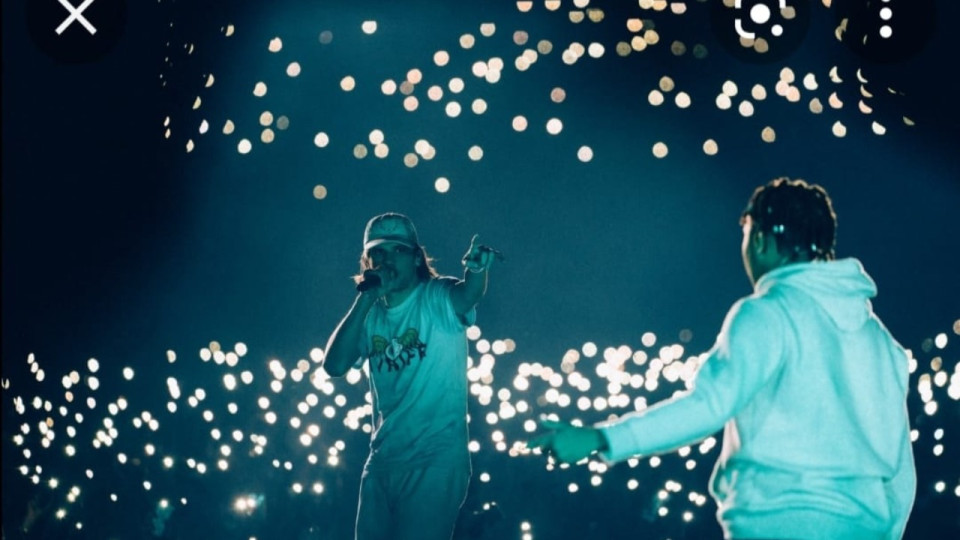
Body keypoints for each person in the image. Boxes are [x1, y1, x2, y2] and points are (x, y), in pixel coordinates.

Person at [528, 178, 916, 539]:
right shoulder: (881, 342)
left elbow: (709, 406)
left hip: (779, 525)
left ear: (762, 239)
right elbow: (901, 473)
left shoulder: (768, 312)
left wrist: (602, 437)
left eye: (746, 234)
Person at [322, 212, 497, 540]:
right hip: (382, 461)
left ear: (417, 257)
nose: (387, 260)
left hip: (436, 457)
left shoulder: (435, 297)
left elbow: (467, 295)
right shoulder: (370, 313)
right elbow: (334, 366)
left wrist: (476, 270)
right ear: (367, 261)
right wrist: (365, 299)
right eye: (378, 253)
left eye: (397, 251)